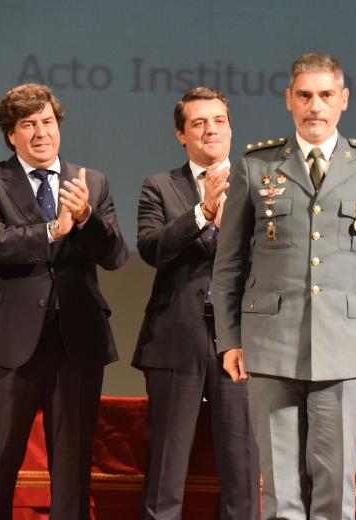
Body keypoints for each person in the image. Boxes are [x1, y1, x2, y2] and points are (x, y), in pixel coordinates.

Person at [212, 52, 356, 520]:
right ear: (289, 100)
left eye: (325, 95)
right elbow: (228, 265)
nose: (314, 106)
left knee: (334, 490)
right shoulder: (256, 166)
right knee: (279, 492)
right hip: (270, 344)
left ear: (343, 100)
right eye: (304, 95)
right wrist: (230, 339)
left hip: (346, 347)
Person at [0, 83, 128, 519]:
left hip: (76, 342)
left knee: (71, 465)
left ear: (59, 125)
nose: (40, 133)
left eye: (47, 122)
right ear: (11, 135)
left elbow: (114, 256)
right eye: (27, 125)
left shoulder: (91, 182)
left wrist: (87, 218)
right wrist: (53, 229)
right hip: (6, 344)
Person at [133, 87, 259, 519]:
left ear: (230, 128)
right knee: (166, 472)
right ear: (180, 134)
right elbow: (151, 248)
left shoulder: (261, 185)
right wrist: (202, 214)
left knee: (243, 472)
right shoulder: (160, 186)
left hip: (242, 341)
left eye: (219, 120)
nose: (211, 129)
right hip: (175, 338)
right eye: (198, 123)